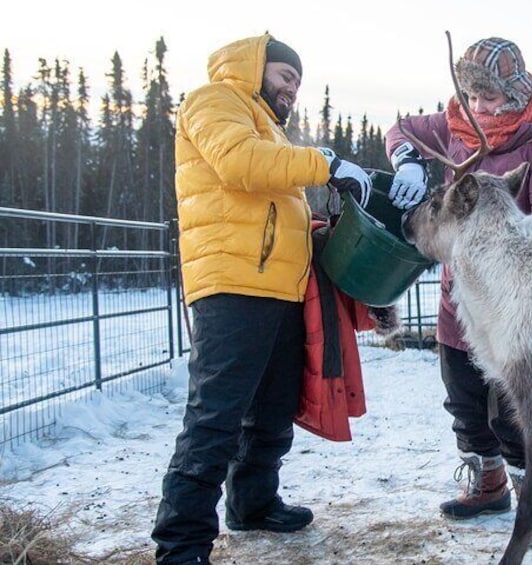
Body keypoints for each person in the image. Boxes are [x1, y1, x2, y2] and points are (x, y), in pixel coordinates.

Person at [151, 33, 373, 565]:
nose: (291, 90)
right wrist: (326, 164)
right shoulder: (213, 101)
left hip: (280, 286)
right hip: (232, 285)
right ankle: (181, 543)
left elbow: (270, 203)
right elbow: (240, 166)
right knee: (217, 415)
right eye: (284, 76)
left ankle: (253, 503)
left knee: (270, 410)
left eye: (297, 83)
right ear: (255, 67)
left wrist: (316, 228)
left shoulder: (268, 127)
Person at [385, 37, 532, 547]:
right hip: (460, 298)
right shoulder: (453, 124)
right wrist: (407, 158)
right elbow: (400, 129)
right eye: (472, 95)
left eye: (490, 97)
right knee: (466, 400)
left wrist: (493, 236)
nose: (479, 107)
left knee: (516, 407)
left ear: (515, 94)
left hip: (517, 307)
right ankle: (488, 484)